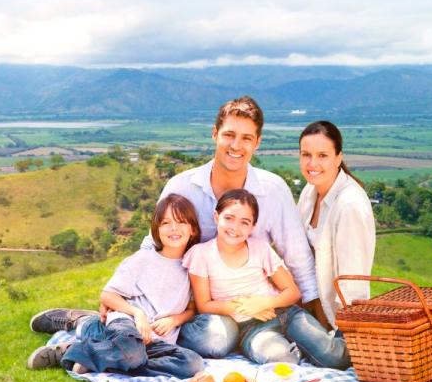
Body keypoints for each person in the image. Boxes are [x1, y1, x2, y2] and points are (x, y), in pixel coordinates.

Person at [144, 96, 319, 358]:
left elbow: (297, 257)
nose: (236, 146)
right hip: (194, 308)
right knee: (215, 340)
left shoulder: (273, 190)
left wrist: (319, 320)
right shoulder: (181, 187)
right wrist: (129, 303)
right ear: (215, 134)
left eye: (247, 138)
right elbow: (152, 247)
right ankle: (89, 324)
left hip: (257, 308)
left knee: (230, 337)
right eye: (229, 135)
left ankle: (252, 338)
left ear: (257, 143)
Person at [27, 194, 204, 380]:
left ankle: (99, 352)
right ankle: (72, 351)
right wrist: (137, 313)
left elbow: (192, 308)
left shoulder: (192, 266)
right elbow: (108, 295)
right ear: (157, 228)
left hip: (155, 341)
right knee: (131, 351)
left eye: (181, 222)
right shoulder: (143, 259)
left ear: (192, 229)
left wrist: (174, 320)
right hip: (127, 326)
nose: (174, 228)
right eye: (166, 222)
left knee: (192, 363)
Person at [184, 188, 344, 366]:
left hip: (287, 314)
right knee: (283, 360)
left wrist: (264, 303)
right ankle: (298, 349)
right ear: (216, 217)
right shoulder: (201, 254)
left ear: (253, 227)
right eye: (229, 218)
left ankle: (357, 337)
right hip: (252, 329)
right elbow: (204, 305)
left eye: (244, 222)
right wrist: (248, 308)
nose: (235, 228)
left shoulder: (260, 248)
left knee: (334, 358)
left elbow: (292, 292)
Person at [297, 120, 376, 333]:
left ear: (338, 158)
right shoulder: (309, 192)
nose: (312, 164)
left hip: (336, 321)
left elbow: (353, 281)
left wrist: (346, 334)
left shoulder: (350, 205)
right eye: (306, 155)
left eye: (322, 155)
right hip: (309, 307)